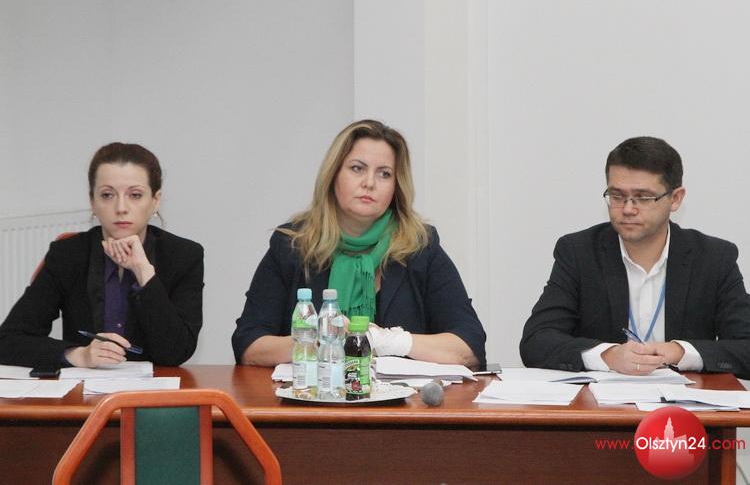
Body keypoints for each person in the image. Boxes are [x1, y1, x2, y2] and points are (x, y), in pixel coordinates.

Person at [232, 119, 486, 368]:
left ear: (396, 186)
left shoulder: (419, 246)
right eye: (357, 168)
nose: (369, 183)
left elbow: (469, 346)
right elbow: (249, 345)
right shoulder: (293, 245)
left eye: (384, 174)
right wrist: (319, 340)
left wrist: (388, 341)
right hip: (314, 393)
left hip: (402, 396)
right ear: (333, 174)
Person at [520, 137, 750, 378]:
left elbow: (745, 347)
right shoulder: (578, 252)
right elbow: (536, 340)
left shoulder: (714, 258)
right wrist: (607, 356)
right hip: (600, 400)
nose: (628, 209)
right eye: (617, 196)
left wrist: (680, 352)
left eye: (643, 197)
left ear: (675, 198)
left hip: (684, 398)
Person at [0, 143, 204, 369]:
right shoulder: (68, 254)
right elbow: (8, 340)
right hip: (86, 387)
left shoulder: (184, 256)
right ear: (92, 202)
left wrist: (144, 273)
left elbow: (177, 352)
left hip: (153, 386)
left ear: (155, 200)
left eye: (135, 195)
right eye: (107, 195)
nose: (121, 207)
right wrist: (78, 355)